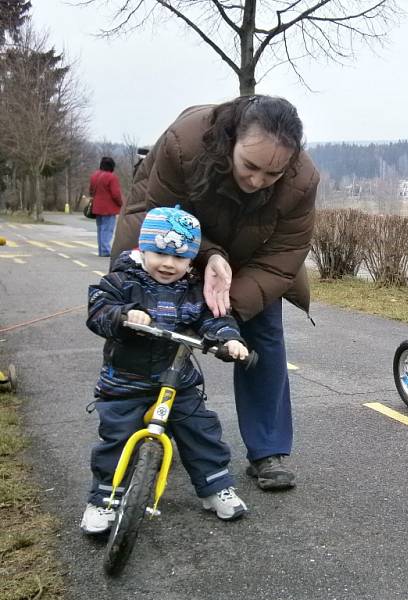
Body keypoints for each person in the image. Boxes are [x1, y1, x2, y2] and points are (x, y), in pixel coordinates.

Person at [110, 95, 318, 490]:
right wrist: (209, 256)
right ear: (232, 140)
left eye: (272, 174)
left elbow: (283, 257)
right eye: (250, 166)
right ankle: (142, 434)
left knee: (264, 335)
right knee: (146, 330)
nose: (258, 181)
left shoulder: (302, 179)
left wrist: (227, 313)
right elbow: (157, 218)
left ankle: (268, 449)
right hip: (168, 240)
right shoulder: (183, 144)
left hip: (253, 257)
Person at [81, 206, 249, 534]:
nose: (169, 264)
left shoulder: (191, 289)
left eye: (180, 257)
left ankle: (215, 486)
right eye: (159, 253)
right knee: (116, 438)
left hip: (178, 382)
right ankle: (104, 499)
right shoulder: (120, 281)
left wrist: (228, 339)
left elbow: (213, 318)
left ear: (190, 261)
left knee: (201, 430)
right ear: (143, 248)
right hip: (125, 382)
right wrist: (125, 315)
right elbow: (99, 310)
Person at [89, 156, 124, 257]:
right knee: (107, 230)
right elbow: (116, 194)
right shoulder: (111, 177)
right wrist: (120, 204)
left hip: (97, 207)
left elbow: (91, 190)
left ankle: (101, 249)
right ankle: (105, 250)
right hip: (109, 208)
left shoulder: (94, 175)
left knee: (100, 229)